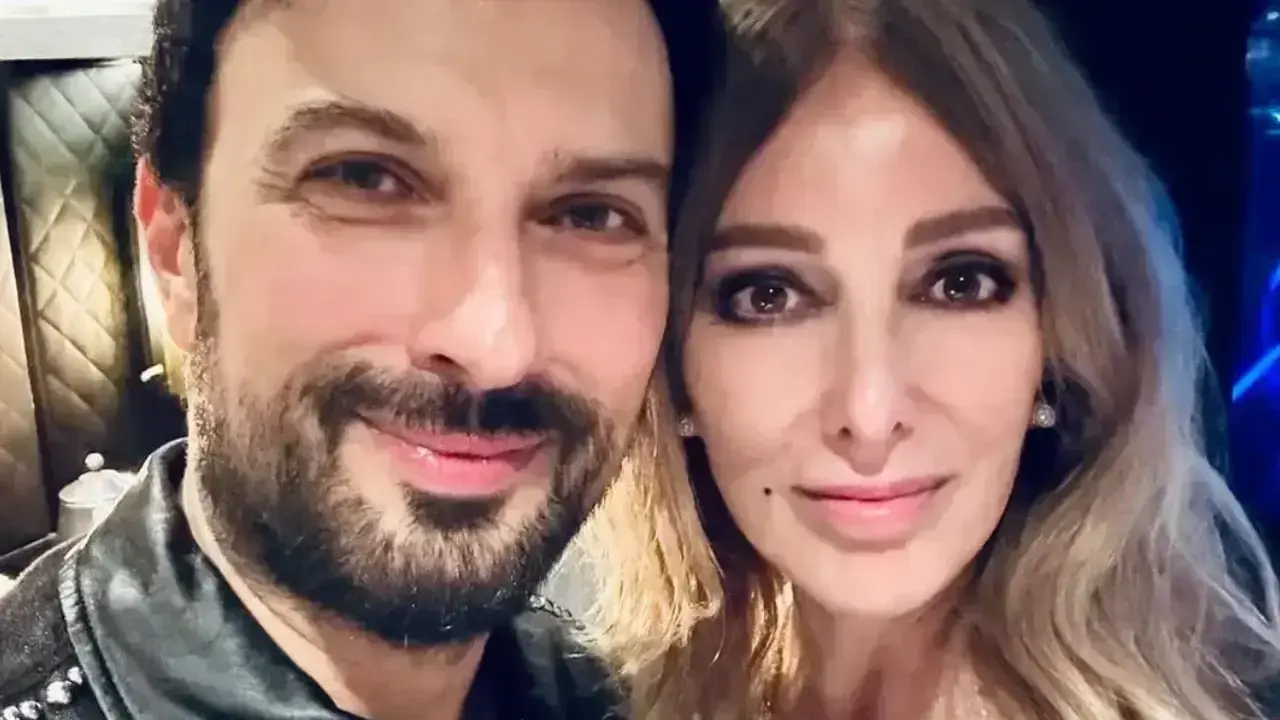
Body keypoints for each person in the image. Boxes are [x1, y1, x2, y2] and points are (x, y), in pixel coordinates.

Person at [0, 0, 718, 718]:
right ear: (174, 250)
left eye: (591, 215)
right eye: (363, 178)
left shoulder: (618, 697)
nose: (493, 347)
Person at [581, 0, 1280, 717]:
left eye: (960, 283)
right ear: (676, 367)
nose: (870, 415)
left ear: (1058, 334)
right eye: (769, 295)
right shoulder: (591, 694)